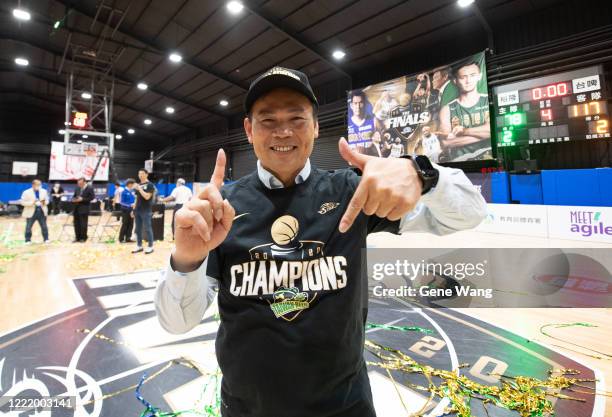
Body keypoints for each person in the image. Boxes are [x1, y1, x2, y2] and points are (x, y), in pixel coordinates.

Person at [154, 66, 486, 417]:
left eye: (297, 118)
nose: (283, 131)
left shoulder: (353, 191)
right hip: (248, 407)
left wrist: (423, 174)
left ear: (315, 127)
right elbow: (176, 324)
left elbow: (470, 214)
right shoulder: (221, 207)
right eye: (268, 120)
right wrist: (186, 258)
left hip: (346, 405)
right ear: (249, 130)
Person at [439, 59, 491, 161]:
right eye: (463, 77)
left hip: (489, 159)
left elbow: (492, 131)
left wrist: (464, 131)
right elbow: (446, 143)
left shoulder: (487, 100)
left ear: (479, 76)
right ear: (455, 81)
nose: (468, 81)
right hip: (461, 163)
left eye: (472, 75)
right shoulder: (447, 109)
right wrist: (485, 134)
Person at [132, 168, 156, 254]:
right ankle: (139, 246)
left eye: (142, 174)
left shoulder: (150, 185)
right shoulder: (138, 185)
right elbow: (136, 198)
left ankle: (150, 246)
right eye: (139, 174)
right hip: (137, 210)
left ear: (146, 174)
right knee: (138, 229)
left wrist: (139, 189)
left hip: (146, 210)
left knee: (147, 228)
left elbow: (147, 197)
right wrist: (133, 209)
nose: (140, 175)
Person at [21, 179, 50, 244]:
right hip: (31, 212)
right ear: (33, 185)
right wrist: (32, 203)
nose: (39, 186)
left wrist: (41, 202)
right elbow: (22, 202)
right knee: (28, 227)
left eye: (40, 185)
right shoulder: (26, 192)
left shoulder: (44, 191)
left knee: (44, 226)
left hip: (41, 211)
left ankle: (46, 239)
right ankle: (28, 240)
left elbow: (47, 201)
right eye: (38, 185)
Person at [72, 177, 95, 242]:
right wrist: (73, 199)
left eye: (80, 183)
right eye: (78, 183)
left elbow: (92, 197)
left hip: (84, 208)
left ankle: (83, 237)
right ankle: (77, 237)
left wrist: (83, 199)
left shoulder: (89, 188)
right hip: (76, 208)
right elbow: (74, 196)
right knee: (76, 224)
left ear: (84, 182)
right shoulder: (77, 188)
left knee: (83, 224)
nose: (79, 185)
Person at [119, 178, 136, 243]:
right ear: (129, 184)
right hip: (125, 210)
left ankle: (128, 238)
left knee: (131, 224)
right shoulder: (123, 191)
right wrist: (129, 205)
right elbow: (121, 202)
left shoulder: (132, 191)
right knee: (125, 224)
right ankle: (121, 238)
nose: (133, 185)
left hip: (132, 210)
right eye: (133, 184)